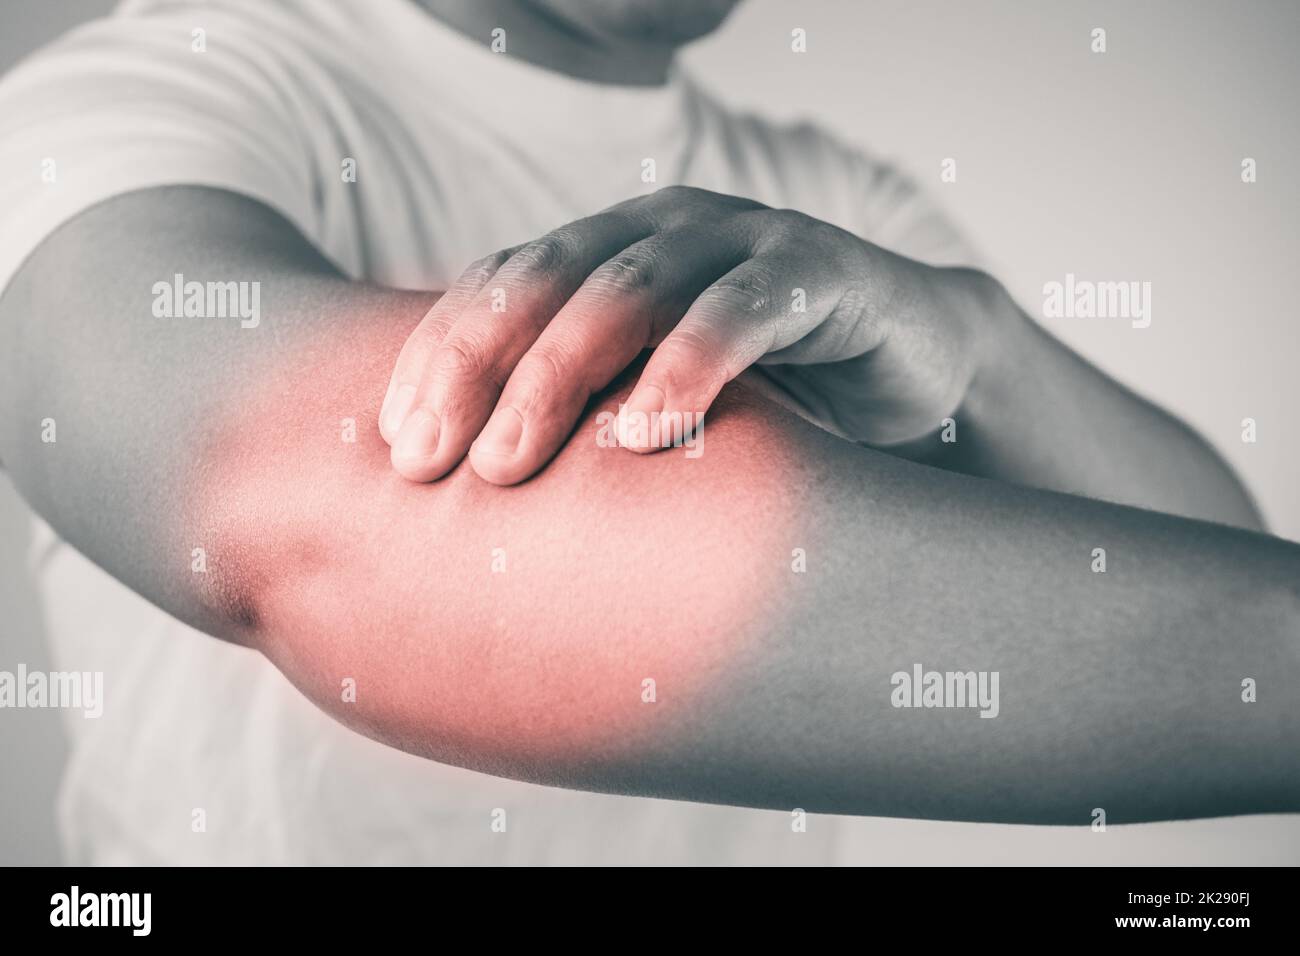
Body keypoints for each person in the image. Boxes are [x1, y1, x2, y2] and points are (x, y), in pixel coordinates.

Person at [0, 0, 1295, 866]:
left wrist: (987, 350)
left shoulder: (833, 194)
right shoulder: (144, 94)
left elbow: (1201, 580)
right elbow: (337, 536)